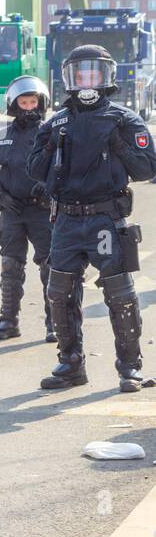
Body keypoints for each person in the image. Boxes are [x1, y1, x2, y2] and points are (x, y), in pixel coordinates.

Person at [27, 44, 156, 392]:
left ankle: (130, 367)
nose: (86, 81)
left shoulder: (123, 119)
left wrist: (119, 145)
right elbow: (35, 170)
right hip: (66, 220)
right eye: (79, 74)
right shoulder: (57, 122)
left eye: (92, 73)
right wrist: (53, 144)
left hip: (105, 218)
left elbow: (146, 168)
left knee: (120, 294)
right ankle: (70, 364)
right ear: (69, 79)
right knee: (60, 293)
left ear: (106, 77)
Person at [0, 76, 54, 342]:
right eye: (24, 101)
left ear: (41, 102)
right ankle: (9, 320)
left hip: (43, 211)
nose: (29, 106)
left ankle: (55, 321)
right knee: (10, 265)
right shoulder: (0, 135)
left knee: (50, 265)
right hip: (11, 210)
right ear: (14, 104)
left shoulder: (52, 132)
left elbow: (66, 168)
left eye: (33, 101)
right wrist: (0, 194)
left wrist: (49, 188)